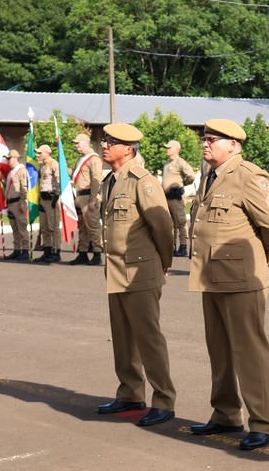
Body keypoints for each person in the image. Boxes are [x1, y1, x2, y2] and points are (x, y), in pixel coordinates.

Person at [188, 119, 269, 451]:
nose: (205, 143)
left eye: (212, 139)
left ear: (233, 145)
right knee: (219, 349)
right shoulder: (210, 177)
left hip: (242, 277)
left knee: (249, 350)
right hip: (211, 275)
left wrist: (260, 256)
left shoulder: (249, 176)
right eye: (205, 138)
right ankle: (226, 413)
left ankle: (261, 423)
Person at [95, 122, 177, 428]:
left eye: (111, 142)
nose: (104, 145)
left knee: (148, 337)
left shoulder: (142, 181)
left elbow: (162, 225)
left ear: (128, 148)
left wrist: (164, 261)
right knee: (123, 337)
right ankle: (130, 392)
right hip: (116, 269)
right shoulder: (110, 180)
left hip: (140, 268)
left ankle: (164, 400)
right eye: (104, 140)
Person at [70, 133, 104, 265]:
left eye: (78, 143)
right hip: (80, 195)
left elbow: (96, 180)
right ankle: (82, 253)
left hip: (89, 195)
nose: (76, 145)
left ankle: (97, 254)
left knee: (93, 226)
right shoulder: (81, 159)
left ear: (86, 142)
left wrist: (93, 199)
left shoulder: (93, 159)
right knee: (82, 227)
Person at [161, 139, 196, 259]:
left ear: (176, 149)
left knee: (180, 222)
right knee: (170, 224)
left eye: (169, 147)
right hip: (166, 198)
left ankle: (183, 246)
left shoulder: (180, 162)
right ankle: (172, 246)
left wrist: (181, 185)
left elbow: (191, 175)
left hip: (176, 197)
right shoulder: (166, 164)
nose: (167, 149)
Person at [34, 144, 62, 262]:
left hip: (52, 198)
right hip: (43, 198)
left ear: (47, 153)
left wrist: (56, 196)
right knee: (44, 226)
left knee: (53, 226)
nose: (38, 155)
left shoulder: (53, 164)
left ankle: (56, 251)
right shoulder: (42, 166)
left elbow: (59, 180)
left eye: (40, 153)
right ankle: (47, 250)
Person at [4, 150, 31, 261]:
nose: (7, 160)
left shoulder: (21, 170)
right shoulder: (11, 172)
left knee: (22, 228)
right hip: (11, 203)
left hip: (18, 202)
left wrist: (22, 201)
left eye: (9, 158)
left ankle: (25, 250)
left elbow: (24, 187)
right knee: (14, 228)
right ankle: (17, 249)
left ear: (15, 158)